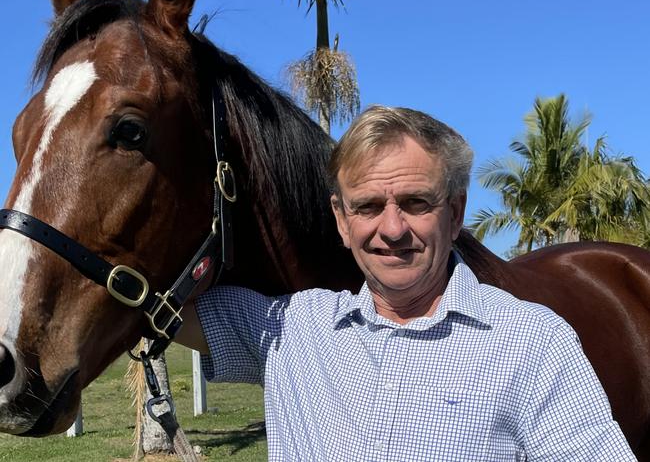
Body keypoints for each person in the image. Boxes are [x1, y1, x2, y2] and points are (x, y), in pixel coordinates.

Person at [176, 105, 635, 460]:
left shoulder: (533, 342)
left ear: (455, 214)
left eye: (416, 203)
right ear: (341, 220)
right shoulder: (292, 328)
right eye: (368, 206)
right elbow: (149, 306)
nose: (392, 229)